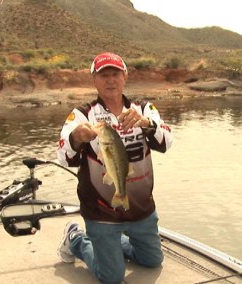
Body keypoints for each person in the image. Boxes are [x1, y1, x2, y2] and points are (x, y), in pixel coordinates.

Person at [56, 52, 173, 283]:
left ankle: (112, 244)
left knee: (152, 260)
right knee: (111, 277)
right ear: (94, 80)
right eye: (104, 75)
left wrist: (147, 125)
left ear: (125, 77)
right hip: (101, 211)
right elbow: (63, 156)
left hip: (141, 208)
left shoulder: (144, 108)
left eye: (115, 74)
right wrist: (77, 137)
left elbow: (167, 141)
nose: (111, 80)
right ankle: (77, 239)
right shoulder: (82, 114)